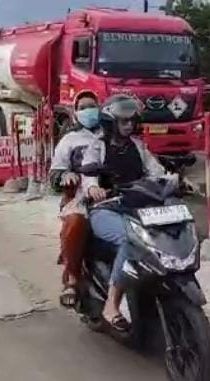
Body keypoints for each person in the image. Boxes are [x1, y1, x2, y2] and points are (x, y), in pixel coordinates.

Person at [78, 94, 166, 331]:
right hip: (105, 210)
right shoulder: (98, 146)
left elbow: (156, 171)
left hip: (138, 209)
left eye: (132, 121)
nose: (129, 125)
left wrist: (173, 181)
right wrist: (94, 187)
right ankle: (111, 305)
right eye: (123, 121)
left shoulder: (138, 147)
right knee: (131, 240)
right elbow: (88, 175)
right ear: (110, 122)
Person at [48, 94, 101, 308]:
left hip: (111, 194)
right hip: (79, 197)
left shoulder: (110, 135)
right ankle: (71, 277)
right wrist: (64, 177)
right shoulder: (69, 140)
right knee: (76, 222)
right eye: (83, 107)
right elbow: (54, 174)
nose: (89, 110)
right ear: (76, 112)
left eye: (92, 106)